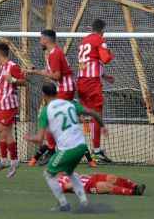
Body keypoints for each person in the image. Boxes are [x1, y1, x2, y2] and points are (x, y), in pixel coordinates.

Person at [25, 82, 108, 212]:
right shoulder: (70, 103)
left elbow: (39, 139)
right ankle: (84, 202)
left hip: (69, 149)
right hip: (82, 147)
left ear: (44, 95)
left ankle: (63, 204)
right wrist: (102, 126)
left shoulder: (46, 111)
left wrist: (29, 138)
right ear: (57, 92)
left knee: (48, 174)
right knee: (70, 172)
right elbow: (92, 112)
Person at [26, 29, 96, 167]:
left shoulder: (54, 54)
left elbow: (57, 76)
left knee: (49, 117)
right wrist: (34, 71)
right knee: (61, 121)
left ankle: (51, 149)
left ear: (46, 39)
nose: (40, 41)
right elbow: (54, 73)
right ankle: (89, 159)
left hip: (65, 89)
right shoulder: (54, 53)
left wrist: (39, 72)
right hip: (65, 88)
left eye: (41, 39)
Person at [77, 19, 114, 163]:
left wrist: (104, 75)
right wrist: (110, 53)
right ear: (103, 30)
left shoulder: (84, 40)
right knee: (96, 116)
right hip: (92, 83)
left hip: (81, 81)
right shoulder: (100, 39)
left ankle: (73, 148)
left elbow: (89, 62)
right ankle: (97, 151)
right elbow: (105, 59)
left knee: (83, 116)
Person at [0, 43, 26, 178]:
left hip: (9, 104)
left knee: (6, 132)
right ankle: (4, 160)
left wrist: (11, 79)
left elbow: (23, 81)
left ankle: (13, 160)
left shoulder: (13, 66)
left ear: (0, 54)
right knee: (0, 131)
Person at [58, 173, 146, 196]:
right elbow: (66, 187)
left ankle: (135, 186)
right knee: (107, 186)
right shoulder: (59, 181)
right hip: (88, 186)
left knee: (112, 178)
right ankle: (134, 192)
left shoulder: (69, 173)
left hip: (92, 178)